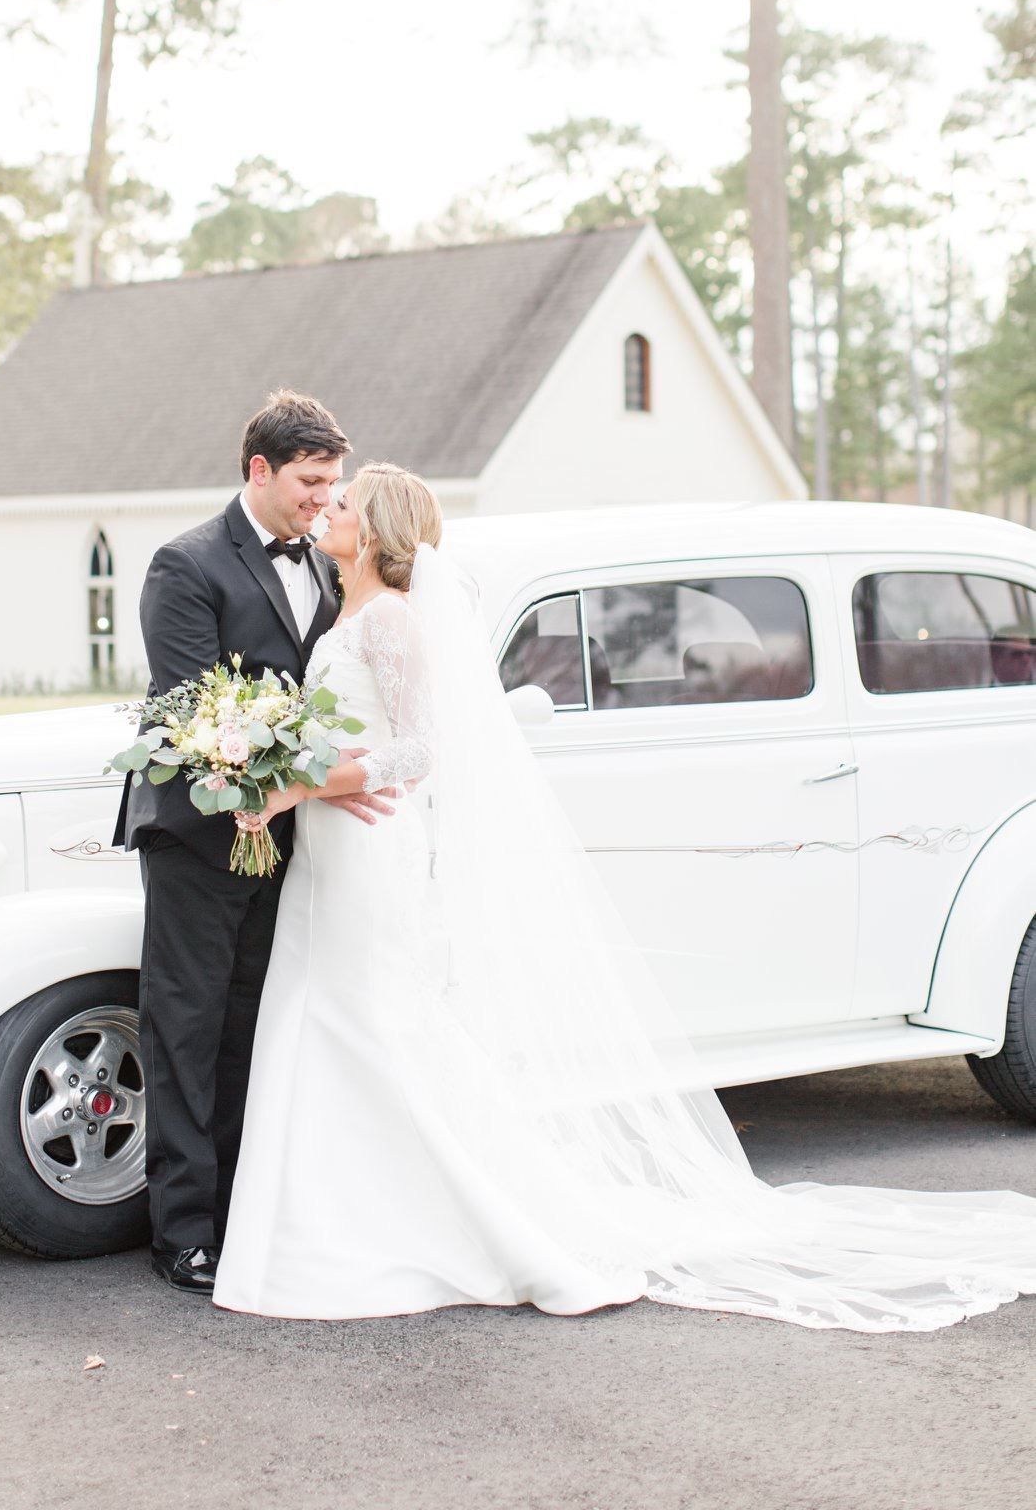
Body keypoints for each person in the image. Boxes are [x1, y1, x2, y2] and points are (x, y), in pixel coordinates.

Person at [213, 462, 1036, 1330]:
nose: (325, 509)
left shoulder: (391, 621)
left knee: (376, 1021)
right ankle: (328, 1223)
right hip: (331, 856)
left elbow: (421, 751)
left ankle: (437, 1225)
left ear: (374, 531)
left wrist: (299, 785)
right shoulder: (342, 611)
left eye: (341, 502)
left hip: (371, 848)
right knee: (328, 1013)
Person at [110, 391, 397, 1295]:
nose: (323, 499)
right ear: (260, 471)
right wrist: (294, 781)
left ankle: (245, 1213)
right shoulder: (185, 564)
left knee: (252, 1025)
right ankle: (184, 1231)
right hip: (199, 835)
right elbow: (195, 706)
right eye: (311, 482)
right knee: (186, 1027)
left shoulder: (328, 564)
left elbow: (322, 700)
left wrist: (316, 785)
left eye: (333, 485)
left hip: (285, 835)